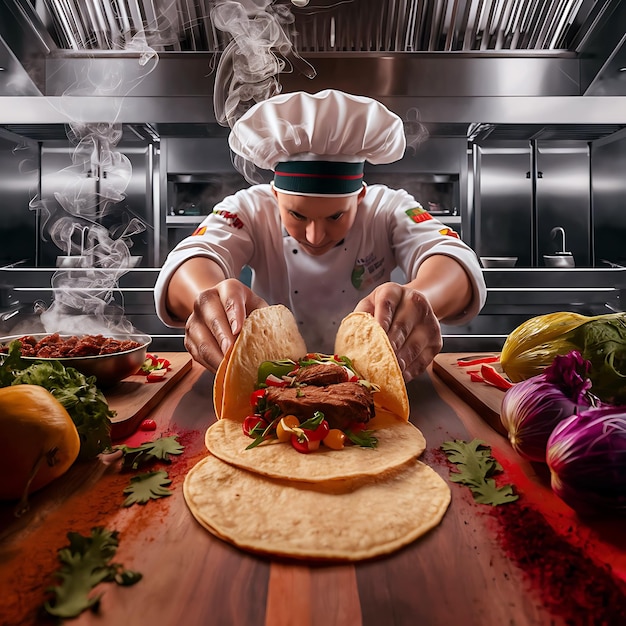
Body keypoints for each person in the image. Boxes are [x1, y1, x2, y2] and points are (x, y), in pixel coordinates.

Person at [154, 90, 487, 382]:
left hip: (373, 380)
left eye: (335, 216)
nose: (314, 236)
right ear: (274, 196)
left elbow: (450, 256)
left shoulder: (389, 206)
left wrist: (422, 298)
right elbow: (195, 254)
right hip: (270, 379)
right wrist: (209, 298)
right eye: (297, 215)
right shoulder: (249, 206)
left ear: (359, 197)